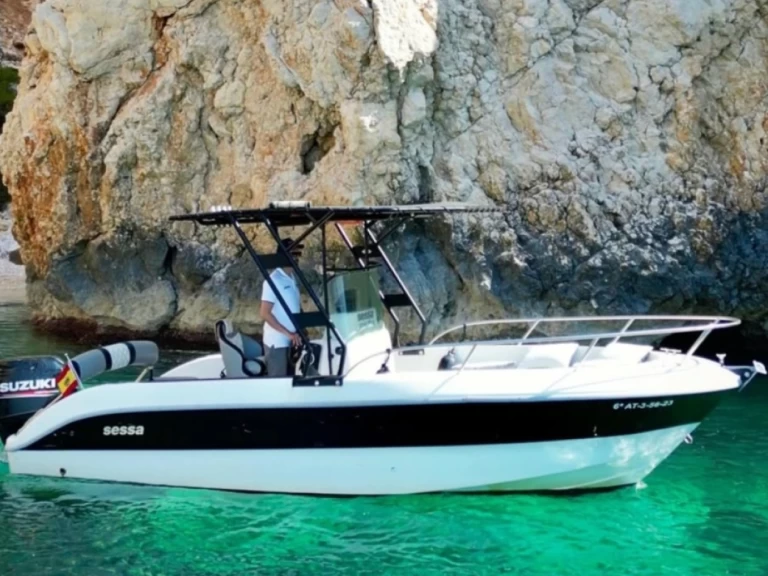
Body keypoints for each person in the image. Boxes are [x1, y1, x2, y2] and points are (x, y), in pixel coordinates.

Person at [260, 238, 303, 376]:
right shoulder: (273, 280)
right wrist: (288, 334)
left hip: (292, 342)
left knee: (290, 380)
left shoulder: (292, 277)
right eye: (293, 254)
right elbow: (265, 313)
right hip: (277, 343)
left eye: (297, 254)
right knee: (278, 383)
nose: (297, 257)